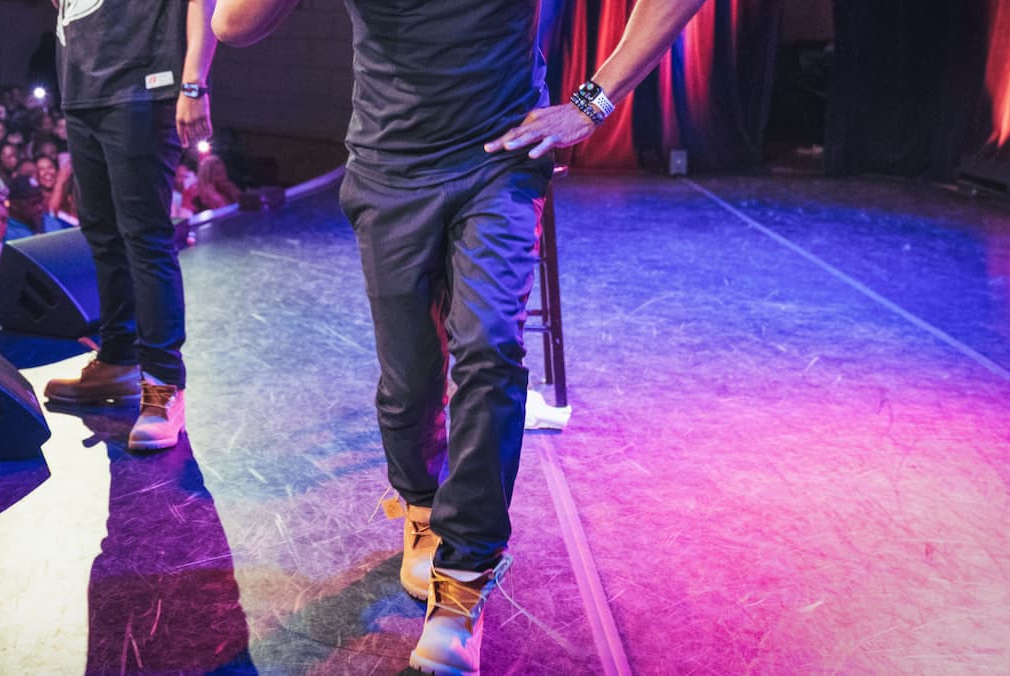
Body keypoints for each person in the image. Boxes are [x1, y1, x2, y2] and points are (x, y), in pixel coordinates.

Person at [213, 0, 708, 670]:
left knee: (489, 348)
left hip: (500, 159)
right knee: (410, 381)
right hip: (389, 170)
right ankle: (421, 506)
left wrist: (592, 104)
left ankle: (464, 581)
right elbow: (234, 26)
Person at [44, 0, 216, 451]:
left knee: (145, 240)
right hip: (82, 88)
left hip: (143, 86)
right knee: (102, 236)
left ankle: (163, 386)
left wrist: (193, 83)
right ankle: (118, 358)